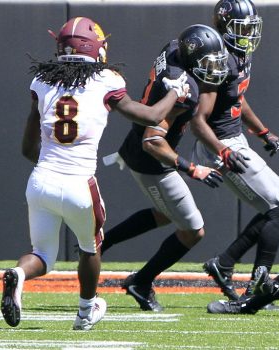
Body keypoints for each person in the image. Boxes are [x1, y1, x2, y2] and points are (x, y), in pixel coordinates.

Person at [0, 17, 189, 330]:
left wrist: (49, 165)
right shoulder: (106, 80)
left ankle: (18, 275)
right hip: (79, 184)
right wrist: (175, 93)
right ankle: (86, 310)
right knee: (91, 247)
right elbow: (151, 116)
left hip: (41, 179)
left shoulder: (42, 81)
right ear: (94, 48)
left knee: (42, 254)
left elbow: (27, 148)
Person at [98, 25, 228, 312]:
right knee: (194, 231)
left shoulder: (172, 49)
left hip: (134, 144)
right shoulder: (186, 88)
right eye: (208, 62)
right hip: (152, 160)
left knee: (165, 215)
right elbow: (153, 141)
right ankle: (141, 282)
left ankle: (102, 242)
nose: (216, 68)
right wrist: (193, 169)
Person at [192, 0, 279, 302]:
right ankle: (255, 287)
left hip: (236, 140)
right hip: (220, 147)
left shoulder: (240, 55)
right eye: (242, 28)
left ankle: (224, 263)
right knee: (278, 207)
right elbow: (199, 121)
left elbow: (239, 98)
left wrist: (262, 131)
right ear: (224, 27)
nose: (249, 34)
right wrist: (223, 151)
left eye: (251, 27)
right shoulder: (219, 60)